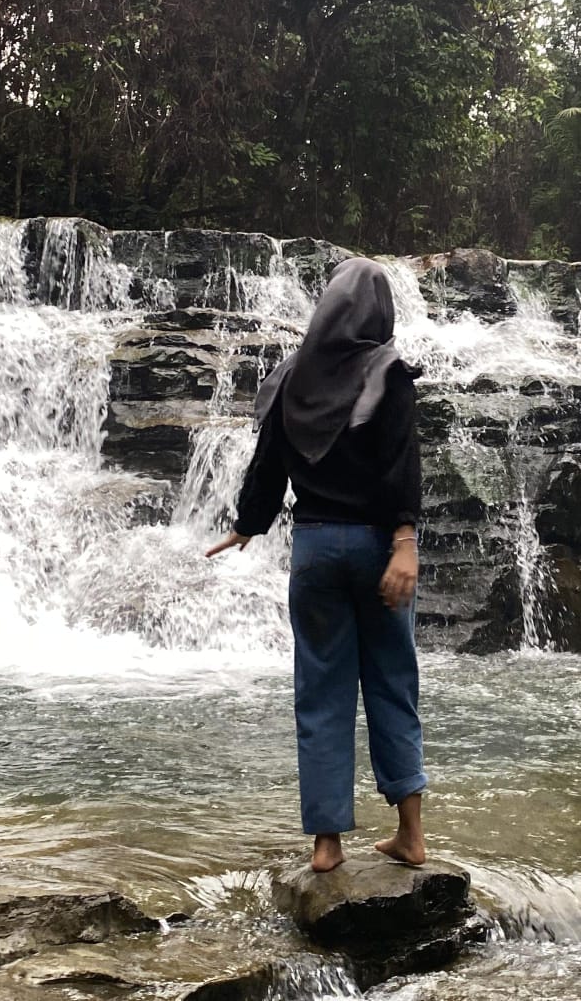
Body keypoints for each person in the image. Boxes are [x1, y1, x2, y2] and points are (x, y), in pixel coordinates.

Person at [205, 257, 427, 874]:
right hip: (380, 546)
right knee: (391, 683)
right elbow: (401, 462)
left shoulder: (290, 376)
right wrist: (405, 538)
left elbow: (268, 464)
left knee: (322, 692)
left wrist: (248, 524)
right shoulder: (390, 371)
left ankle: (327, 845)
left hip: (314, 550)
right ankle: (410, 835)